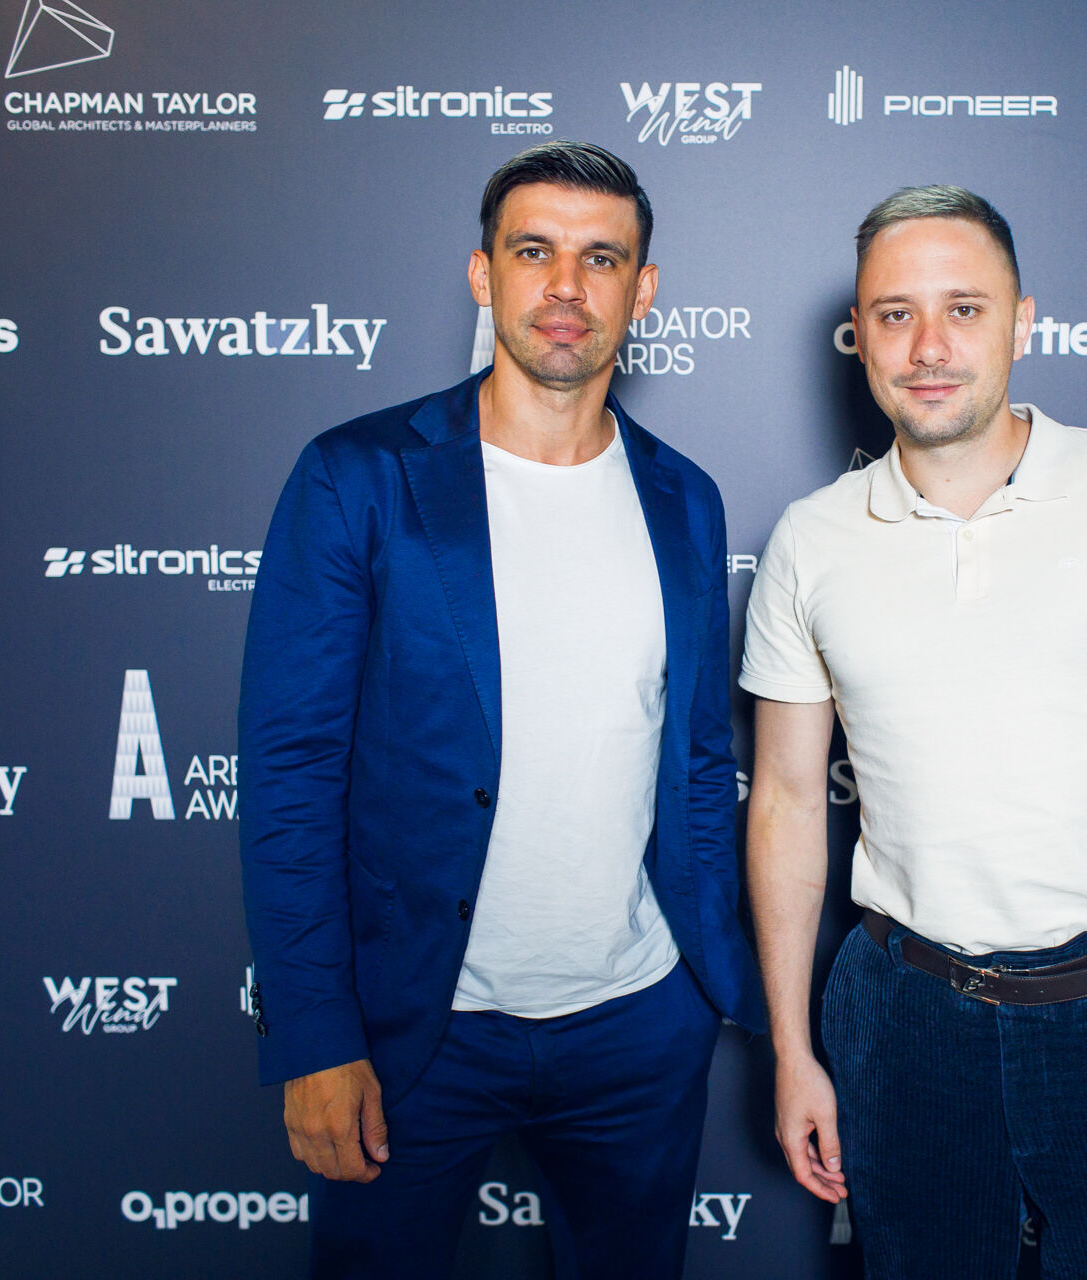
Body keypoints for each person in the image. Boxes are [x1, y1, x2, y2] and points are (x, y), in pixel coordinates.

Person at [239, 140, 766, 1280]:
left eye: (600, 258)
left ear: (643, 289)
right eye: (534, 251)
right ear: (483, 273)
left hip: (639, 1025)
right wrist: (316, 1033)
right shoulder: (359, 476)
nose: (566, 286)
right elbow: (289, 775)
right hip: (416, 1029)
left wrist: (697, 986)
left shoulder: (684, 496)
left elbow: (694, 759)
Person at [741, 186, 1087, 1279]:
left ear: (1022, 322)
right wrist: (794, 1049)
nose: (929, 347)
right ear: (860, 336)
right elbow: (789, 800)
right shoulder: (811, 540)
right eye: (895, 314)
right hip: (904, 1021)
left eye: (964, 309)